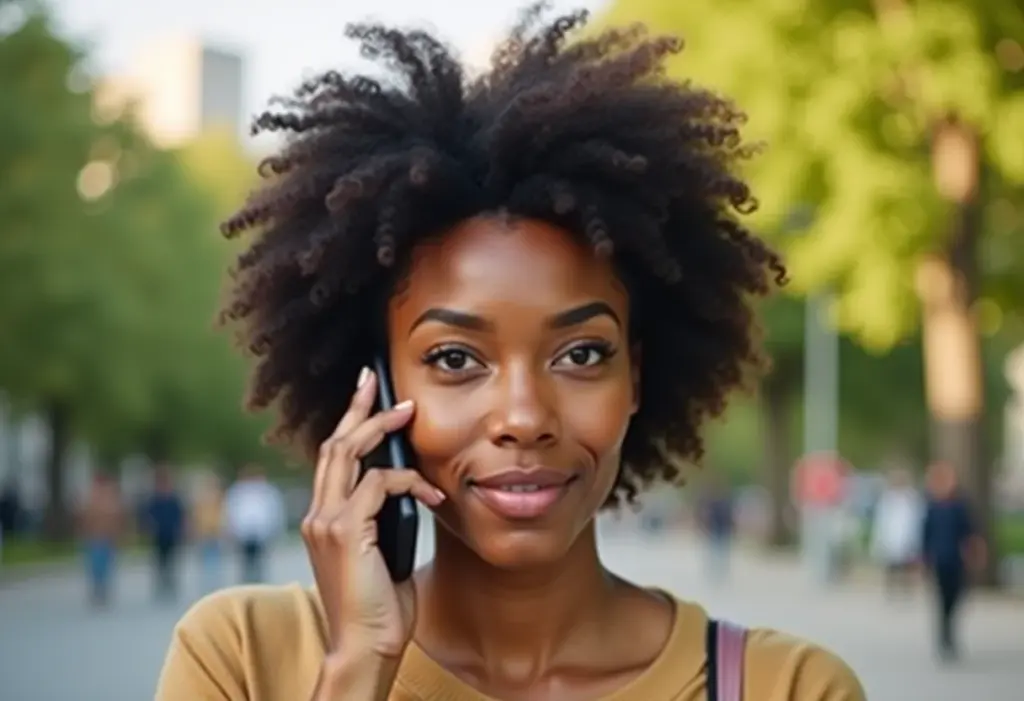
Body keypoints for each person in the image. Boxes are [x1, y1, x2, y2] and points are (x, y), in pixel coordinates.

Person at [156, 6, 865, 700]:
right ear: (372, 388)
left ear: (637, 377)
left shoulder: (791, 687)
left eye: (583, 353)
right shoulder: (242, 657)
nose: (524, 417)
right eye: (457, 359)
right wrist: (357, 669)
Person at [921, 461, 985, 662]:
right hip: (939, 559)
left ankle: (949, 631)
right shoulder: (932, 506)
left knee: (957, 596)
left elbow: (971, 532)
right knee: (941, 600)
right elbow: (925, 534)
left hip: (956, 559)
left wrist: (976, 553)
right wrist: (923, 559)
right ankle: (944, 638)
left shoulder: (960, 505)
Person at [223, 465, 286, 584]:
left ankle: (258, 583)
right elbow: (230, 512)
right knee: (246, 563)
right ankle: (247, 583)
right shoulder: (238, 491)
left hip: (261, 532)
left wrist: (275, 530)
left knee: (259, 562)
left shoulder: (268, 491)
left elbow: (275, 512)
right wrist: (230, 530)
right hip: (244, 532)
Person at [869, 468, 923, 597]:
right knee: (891, 564)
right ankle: (891, 590)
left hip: (906, 536)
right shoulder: (888, 498)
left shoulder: (912, 498)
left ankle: (906, 590)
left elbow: (916, 519)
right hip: (891, 536)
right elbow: (881, 520)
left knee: (907, 564)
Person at [76, 472, 124, 607]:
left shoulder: (111, 501)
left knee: (105, 566)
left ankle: (102, 589)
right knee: (94, 566)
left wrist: (118, 535)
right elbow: (83, 520)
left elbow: (118, 520)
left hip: (107, 539)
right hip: (93, 539)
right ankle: (97, 588)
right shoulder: (89, 500)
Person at [144, 466, 187, 601]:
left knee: (171, 560)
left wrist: (182, 529)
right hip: (158, 534)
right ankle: (161, 583)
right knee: (159, 560)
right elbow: (147, 516)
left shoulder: (174, 499)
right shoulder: (154, 499)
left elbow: (181, 516)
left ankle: (170, 583)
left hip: (171, 534)